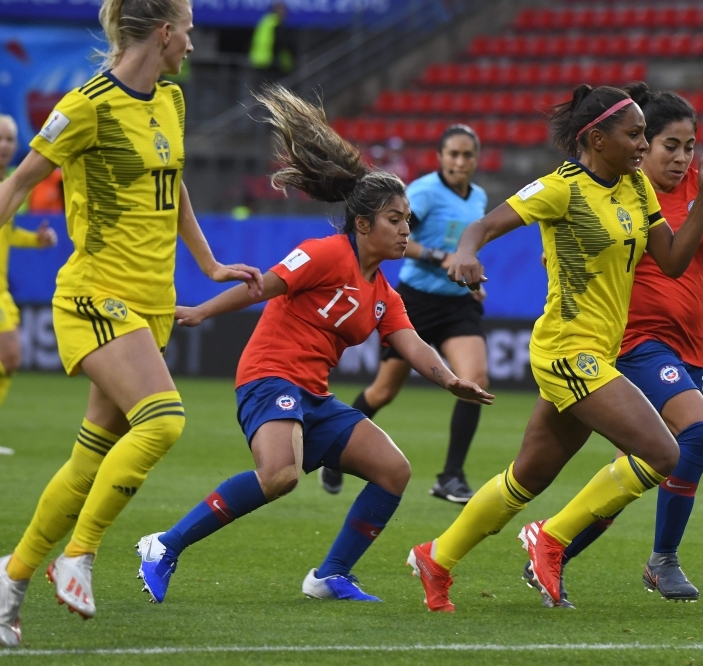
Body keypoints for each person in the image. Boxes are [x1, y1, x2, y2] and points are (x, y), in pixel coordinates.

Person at [134, 85, 492, 604]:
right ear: (364, 224)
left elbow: (411, 344)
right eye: (396, 220)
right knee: (280, 475)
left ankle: (330, 576)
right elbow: (265, 285)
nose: (404, 230)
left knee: (394, 470)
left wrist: (450, 380)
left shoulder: (382, 292)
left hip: (312, 395)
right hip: (268, 376)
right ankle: (164, 546)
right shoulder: (324, 253)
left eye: (408, 221)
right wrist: (201, 311)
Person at [407, 82, 703, 612]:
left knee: (527, 476)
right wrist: (465, 252)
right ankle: (551, 538)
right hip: (565, 349)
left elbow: (671, 261)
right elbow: (485, 225)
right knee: (664, 452)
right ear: (597, 139)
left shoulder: (636, 188)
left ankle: (436, 557)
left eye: (646, 136)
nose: (643, 146)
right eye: (635, 136)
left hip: (598, 353)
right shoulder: (562, 187)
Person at [0, 0, 264, 646]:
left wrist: (209, 263)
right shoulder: (86, 105)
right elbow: (14, 185)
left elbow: (174, 188)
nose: (195, 48)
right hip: (94, 296)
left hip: (149, 304)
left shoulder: (169, 101)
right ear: (166, 33)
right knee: (165, 418)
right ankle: (79, 554)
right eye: (191, 34)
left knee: (89, 458)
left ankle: (10, 580)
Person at [525, 89, 703, 607]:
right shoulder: (627, 187)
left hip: (693, 346)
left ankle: (552, 547)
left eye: (690, 145)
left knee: (637, 470)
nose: (681, 156)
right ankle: (662, 559)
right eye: (670, 144)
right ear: (645, 144)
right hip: (636, 343)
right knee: (700, 433)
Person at [321, 125, 489, 503]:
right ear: (441, 157)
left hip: (458, 302)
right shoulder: (425, 192)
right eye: (453, 154)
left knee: (475, 378)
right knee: (383, 391)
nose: (460, 161)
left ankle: (451, 476)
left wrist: (471, 278)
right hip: (416, 301)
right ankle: (333, 452)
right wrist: (437, 256)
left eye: (467, 155)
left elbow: (463, 247)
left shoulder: (478, 197)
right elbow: (398, 233)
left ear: (476, 159)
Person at [0, 115, 59, 417]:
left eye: (10, 139)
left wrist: (35, 240)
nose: (5, 146)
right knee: (9, 355)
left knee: (10, 361)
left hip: (3, 290)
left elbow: (5, 233)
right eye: (0, 139)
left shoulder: (10, 184)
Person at [249, 2, 294, 86]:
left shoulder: (265, 21)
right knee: (272, 88)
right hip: (271, 62)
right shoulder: (276, 24)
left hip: (259, 59)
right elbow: (280, 43)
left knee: (261, 88)